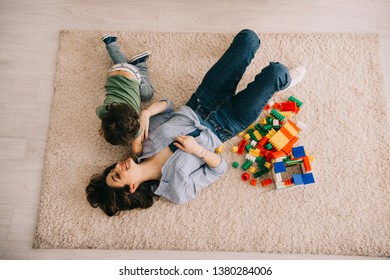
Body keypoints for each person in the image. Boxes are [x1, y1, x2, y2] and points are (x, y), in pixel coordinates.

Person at [86, 29, 306, 216]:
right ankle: (280, 84)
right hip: (229, 123)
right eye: (116, 176)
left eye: (112, 169)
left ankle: (261, 81)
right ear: (132, 188)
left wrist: (147, 114)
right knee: (277, 73)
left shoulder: (139, 143)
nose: (117, 166)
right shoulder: (176, 190)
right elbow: (219, 169)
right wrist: (198, 151)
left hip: (203, 99)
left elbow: (169, 105)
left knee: (248, 38)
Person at [97, 33, 158, 155]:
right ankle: (110, 43)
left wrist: (136, 138)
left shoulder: (136, 125)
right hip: (114, 72)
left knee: (148, 94)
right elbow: (104, 117)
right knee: (125, 66)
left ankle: (141, 64)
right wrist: (104, 127)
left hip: (133, 74)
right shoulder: (102, 111)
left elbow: (137, 151)